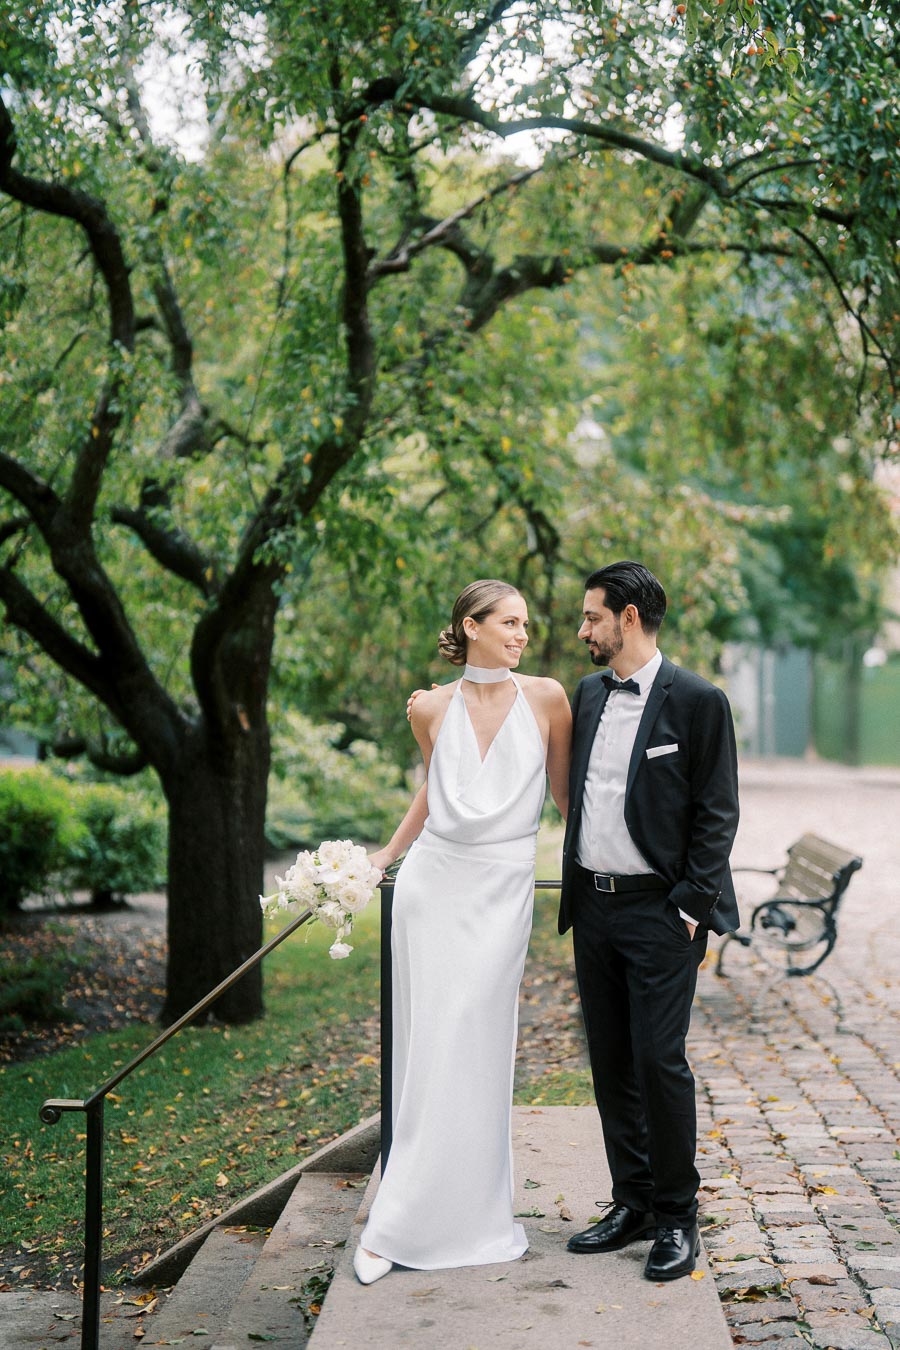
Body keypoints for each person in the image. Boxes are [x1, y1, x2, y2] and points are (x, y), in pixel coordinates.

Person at [353, 579, 571, 1285]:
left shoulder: (547, 698)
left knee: (473, 1040)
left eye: (525, 625)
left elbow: (567, 800)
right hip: (432, 887)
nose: (521, 634)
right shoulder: (428, 707)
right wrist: (387, 855)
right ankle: (402, 1217)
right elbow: (436, 789)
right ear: (471, 626)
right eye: (509, 621)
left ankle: (471, 1215)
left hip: (501, 889)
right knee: (427, 1046)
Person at [560, 560, 740, 1282]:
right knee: (610, 1060)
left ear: (628, 618)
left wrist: (692, 907)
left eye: (592, 617)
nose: (583, 630)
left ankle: (675, 1218)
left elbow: (717, 811)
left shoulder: (698, 700)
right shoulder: (588, 693)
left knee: (660, 1064)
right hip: (594, 909)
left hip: (661, 915)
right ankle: (630, 1202)